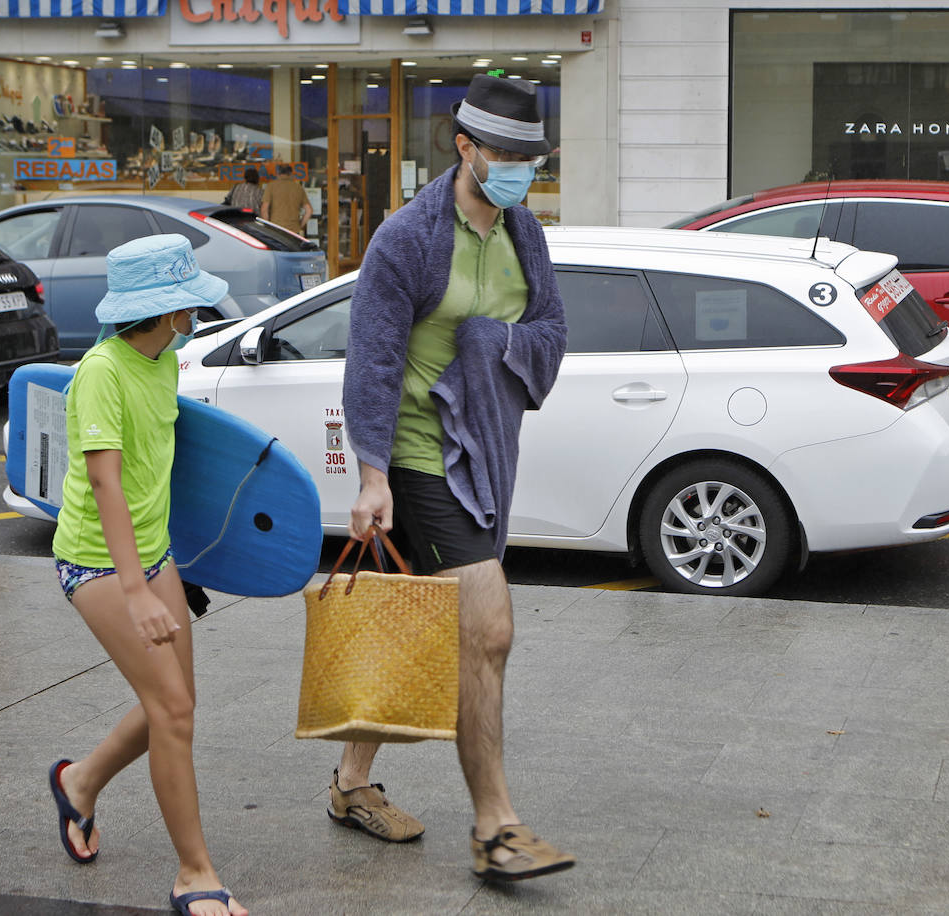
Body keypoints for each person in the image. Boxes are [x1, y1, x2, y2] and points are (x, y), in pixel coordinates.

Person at [333, 73, 574, 882]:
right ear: (463, 147)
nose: (515, 167)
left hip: (481, 451)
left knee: (407, 621)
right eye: (501, 152)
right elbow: (371, 362)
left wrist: (493, 347)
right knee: (487, 625)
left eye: (527, 156)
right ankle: (495, 827)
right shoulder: (407, 238)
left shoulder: (524, 234)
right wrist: (373, 476)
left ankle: (351, 784)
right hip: (415, 453)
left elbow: (549, 326)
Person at [48, 234, 248, 916]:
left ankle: (79, 784)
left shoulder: (162, 361)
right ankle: (194, 874)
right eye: (186, 304)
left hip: (153, 552)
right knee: (173, 710)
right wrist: (134, 591)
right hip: (97, 560)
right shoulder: (102, 371)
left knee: (176, 704)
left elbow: (160, 462)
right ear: (165, 312)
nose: (194, 313)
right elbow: (105, 484)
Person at [259, 163, 312, 236]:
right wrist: (300, 225)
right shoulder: (298, 188)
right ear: (291, 174)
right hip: (294, 230)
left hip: (276, 228)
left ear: (278, 173)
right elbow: (309, 211)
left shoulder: (271, 186)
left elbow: (264, 209)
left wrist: (268, 227)